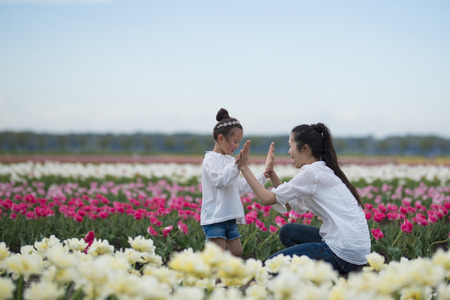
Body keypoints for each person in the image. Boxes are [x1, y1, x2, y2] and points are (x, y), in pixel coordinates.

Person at [237, 123, 371, 273]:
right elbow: (290, 203)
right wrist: (271, 173)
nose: (289, 151)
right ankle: (310, 269)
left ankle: (316, 272)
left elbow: (266, 198)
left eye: (290, 146)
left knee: (270, 266)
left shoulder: (312, 173)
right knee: (287, 232)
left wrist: (244, 168)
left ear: (305, 149)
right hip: (354, 249)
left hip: (344, 254)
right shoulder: (321, 169)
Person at [200, 108, 274, 257]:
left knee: (237, 253)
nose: (236, 146)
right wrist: (237, 165)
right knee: (217, 257)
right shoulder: (210, 160)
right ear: (221, 139)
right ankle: (216, 281)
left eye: (239, 142)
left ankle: (231, 279)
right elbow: (220, 181)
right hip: (215, 218)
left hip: (229, 217)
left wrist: (262, 177)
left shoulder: (229, 160)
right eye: (235, 142)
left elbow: (237, 186)